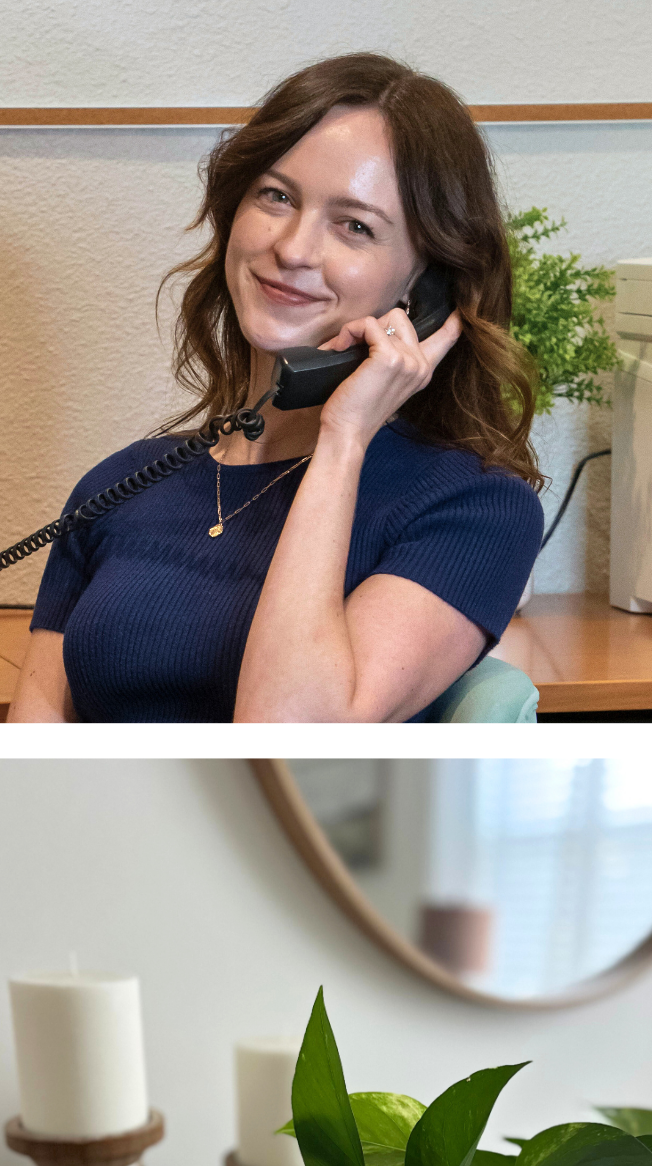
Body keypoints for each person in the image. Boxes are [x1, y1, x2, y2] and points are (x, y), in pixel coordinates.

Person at [9, 52, 544, 724]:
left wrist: (343, 441)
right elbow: (36, 758)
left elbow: (286, 742)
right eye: (276, 196)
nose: (293, 248)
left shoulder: (473, 511)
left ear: (423, 287)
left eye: (355, 226)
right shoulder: (117, 490)